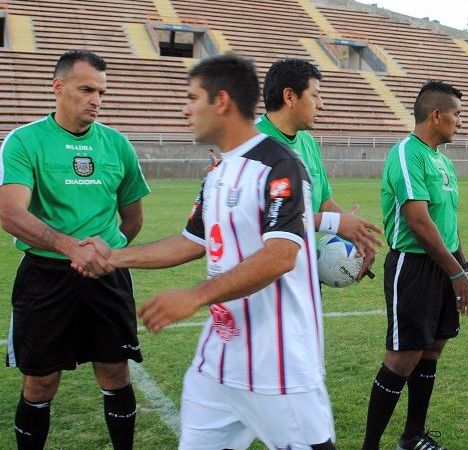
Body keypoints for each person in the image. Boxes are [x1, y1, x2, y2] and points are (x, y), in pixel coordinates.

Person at [83, 54, 336, 449]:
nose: (185, 109)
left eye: (192, 98)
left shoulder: (280, 165)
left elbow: (280, 256)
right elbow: (191, 241)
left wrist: (194, 296)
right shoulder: (218, 172)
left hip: (279, 365)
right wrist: (112, 257)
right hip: (217, 362)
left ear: (221, 102)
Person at [0, 50, 149, 450]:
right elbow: (10, 213)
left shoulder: (117, 145)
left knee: (115, 373)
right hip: (46, 278)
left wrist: (105, 255)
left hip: (107, 276)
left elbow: (133, 219)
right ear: (58, 87)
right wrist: (70, 248)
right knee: (41, 381)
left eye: (101, 91)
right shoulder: (25, 141)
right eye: (86, 89)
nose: (96, 99)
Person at [361, 80, 468, 450]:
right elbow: (419, 222)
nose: (460, 121)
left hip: (444, 267)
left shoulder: (443, 161)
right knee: (403, 357)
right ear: (436, 114)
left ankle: (412, 436)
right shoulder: (405, 154)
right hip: (412, 267)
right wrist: (456, 272)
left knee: (431, 349)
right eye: (457, 114)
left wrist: (462, 265)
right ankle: (370, 446)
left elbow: (447, 221)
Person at [255, 58, 382, 277]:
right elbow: (257, 218)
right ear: (289, 96)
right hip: (261, 277)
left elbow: (324, 201)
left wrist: (355, 234)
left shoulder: (308, 142)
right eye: (315, 95)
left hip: (305, 273)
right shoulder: (251, 143)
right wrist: (335, 222)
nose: (321, 103)